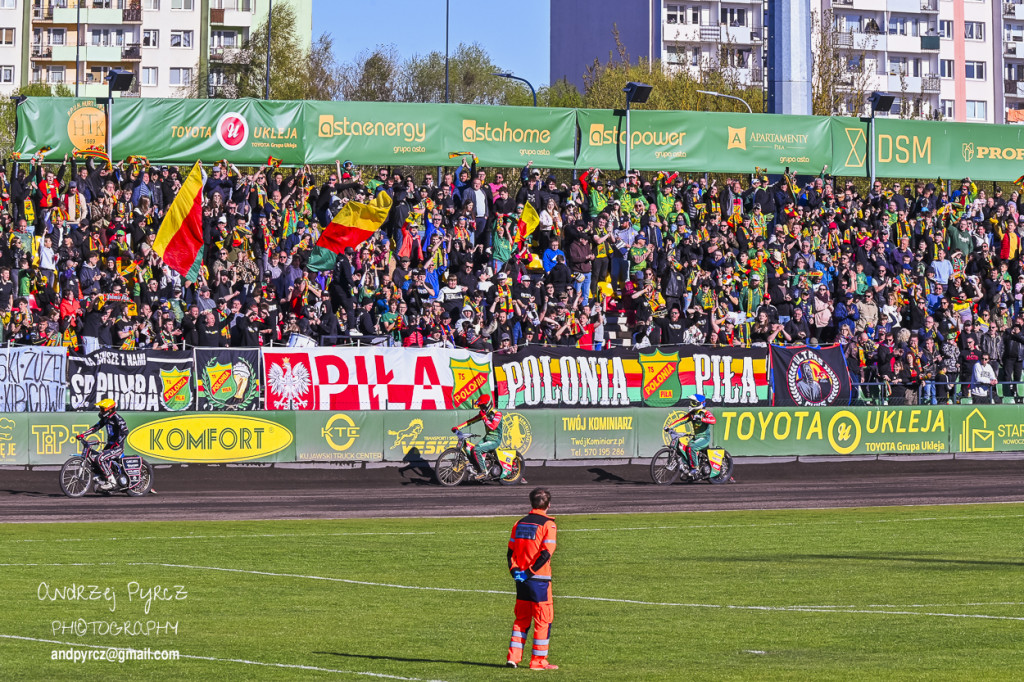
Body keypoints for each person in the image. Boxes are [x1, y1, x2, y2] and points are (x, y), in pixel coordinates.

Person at [506, 487, 558, 670]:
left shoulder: (519, 523)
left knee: (521, 619)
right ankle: (538, 661)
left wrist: (515, 572)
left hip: (521, 580)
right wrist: (530, 572)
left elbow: (510, 552)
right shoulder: (548, 525)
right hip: (539, 580)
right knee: (543, 619)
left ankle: (513, 658)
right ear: (548, 505)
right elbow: (546, 554)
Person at [76, 399, 129, 490]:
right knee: (95, 458)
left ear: (110, 409)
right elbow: (95, 428)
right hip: (110, 447)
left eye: (102, 409)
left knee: (100, 458)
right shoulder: (106, 419)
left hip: (117, 448)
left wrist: (117, 442)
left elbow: (125, 432)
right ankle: (103, 479)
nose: (100, 411)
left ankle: (111, 481)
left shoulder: (118, 418)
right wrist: (83, 434)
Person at [452, 394, 504, 480]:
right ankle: (477, 468)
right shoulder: (483, 414)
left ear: (487, 405)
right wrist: (458, 427)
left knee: (476, 449)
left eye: (482, 406)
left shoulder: (497, 413)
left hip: (495, 440)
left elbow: (493, 427)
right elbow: (470, 421)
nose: (480, 408)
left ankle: (484, 472)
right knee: (471, 450)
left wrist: (484, 418)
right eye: (480, 406)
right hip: (487, 438)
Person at [665, 393, 716, 477]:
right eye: (691, 402)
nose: (691, 404)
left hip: (704, 438)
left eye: (693, 402)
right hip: (695, 437)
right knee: (684, 448)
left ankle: (695, 468)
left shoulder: (705, 412)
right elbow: (681, 420)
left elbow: (713, 420)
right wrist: (669, 427)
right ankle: (688, 467)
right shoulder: (692, 414)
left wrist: (702, 419)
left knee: (692, 447)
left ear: (700, 403)